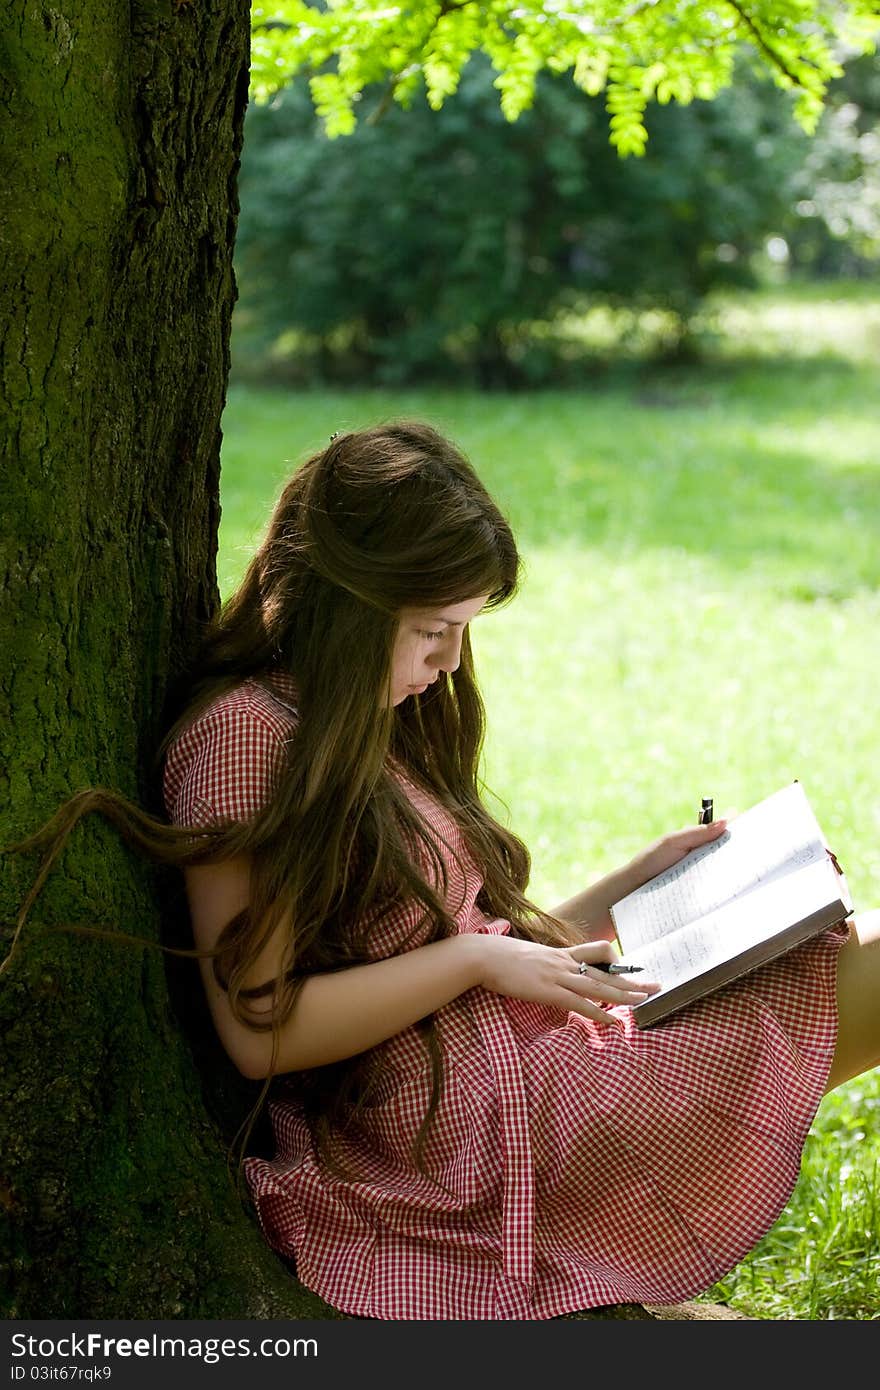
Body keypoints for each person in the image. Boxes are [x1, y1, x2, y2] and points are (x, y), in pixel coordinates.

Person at [10, 420, 880, 1320]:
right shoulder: (245, 738)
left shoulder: (369, 716)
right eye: (433, 630)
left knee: (838, 948)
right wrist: (476, 963)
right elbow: (259, 1030)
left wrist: (639, 883)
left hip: (520, 1052)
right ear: (350, 605)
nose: (450, 661)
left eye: (462, 630)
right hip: (462, 1128)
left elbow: (481, 941)